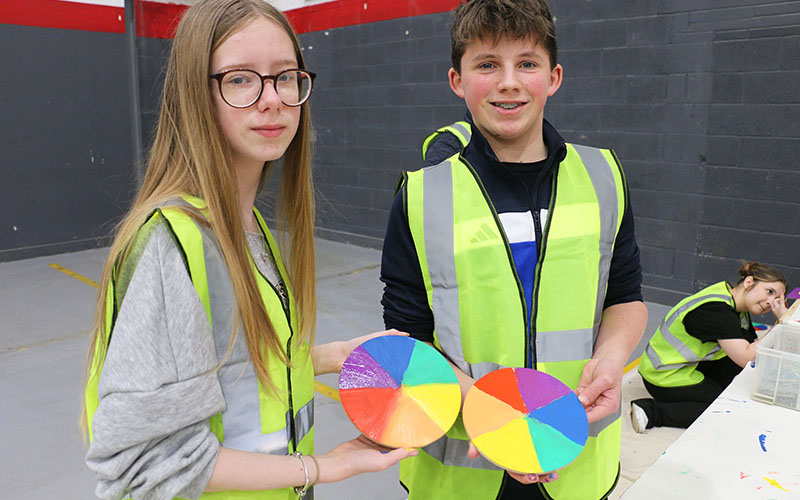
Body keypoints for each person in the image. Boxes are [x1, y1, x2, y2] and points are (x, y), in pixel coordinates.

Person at [81, 1, 416, 498]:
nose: (272, 99)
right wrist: (321, 468)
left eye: (285, 77)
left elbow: (231, 369)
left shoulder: (249, 225)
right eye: (240, 79)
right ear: (196, 94)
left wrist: (329, 357)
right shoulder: (172, 243)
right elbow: (144, 463)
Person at [379, 0, 647, 499]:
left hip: (575, 463)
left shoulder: (603, 177)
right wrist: (491, 417)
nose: (508, 81)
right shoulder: (419, 196)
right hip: (465, 472)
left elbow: (625, 296)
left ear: (554, 77)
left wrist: (611, 358)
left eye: (527, 63)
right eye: (487, 65)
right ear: (457, 81)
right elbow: (408, 344)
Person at [632, 262, 788, 433]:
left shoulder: (731, 299)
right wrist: (781, 324)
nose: (771, 302)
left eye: (777, 299)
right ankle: (651, 411)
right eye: (769, 292)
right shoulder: (717, 311)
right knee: (724, 408)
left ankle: (701, 393)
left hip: (686, 365)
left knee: (741, 368)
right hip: (663, 376)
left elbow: (751, 346)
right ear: (749, 282)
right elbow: (746, 358)